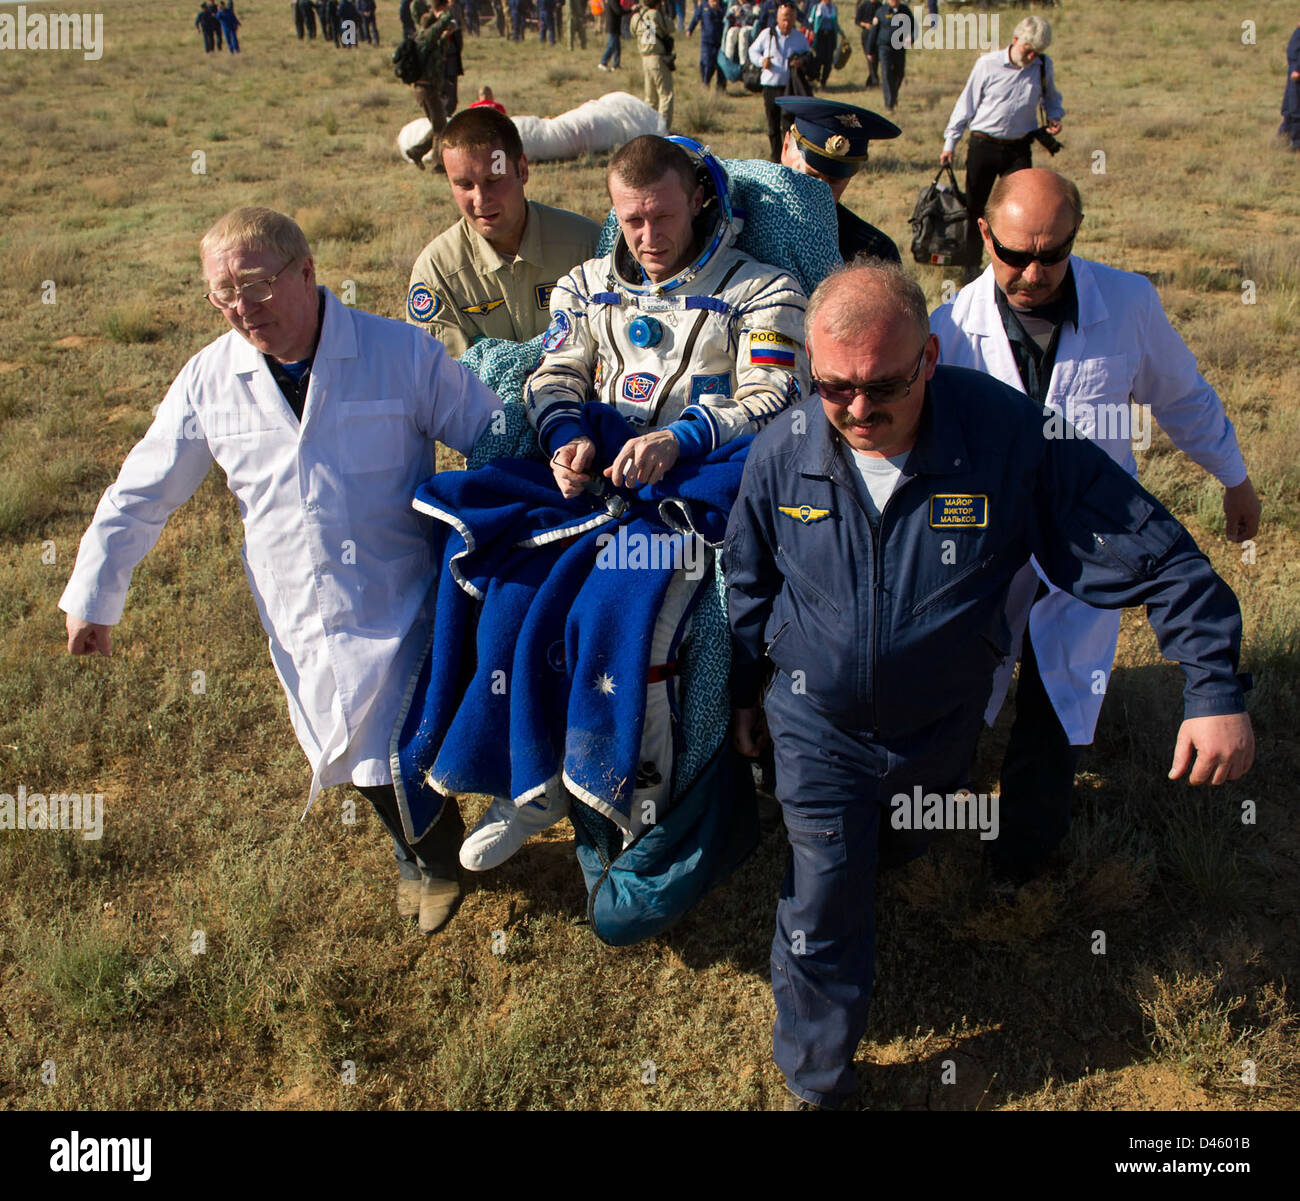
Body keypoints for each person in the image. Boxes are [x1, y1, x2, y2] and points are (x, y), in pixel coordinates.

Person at [724, 259, 1256, 1110]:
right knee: (823, 900)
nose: (858, 411)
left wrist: (1214, 687)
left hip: (941, 724)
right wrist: (746, 694)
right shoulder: (783, 450)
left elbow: (1152, 547)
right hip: (815, 724)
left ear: (931, 358)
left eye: (885, 385)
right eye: (833, 388)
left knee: (904, 840)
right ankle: (818, 1081)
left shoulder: (1012, 440)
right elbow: (748, 582)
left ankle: (882, 847)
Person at [60, 208, 500, 936]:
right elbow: (142, 489)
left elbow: (487, 431)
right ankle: (415, 855)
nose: (241, 308)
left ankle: (437, 858)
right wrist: (94, 594)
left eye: (257, 286)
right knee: (346, 747)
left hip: (400, 594)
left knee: (401, 746)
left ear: (307, 272)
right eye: (222, 295)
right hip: (296, 603)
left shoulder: (399, 353)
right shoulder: (210, 379)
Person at [461, 136, 809, 868]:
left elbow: (776, 396)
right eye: (630, 221)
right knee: (508, 585)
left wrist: (680, 440)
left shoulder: (763, 289)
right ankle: (529, 784)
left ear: (700, 201)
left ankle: (631, 799)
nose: (647, 238)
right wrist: (562, 440)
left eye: (662, 216)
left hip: (697, 482)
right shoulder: (583, 284)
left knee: (615, 614)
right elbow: (554, 376)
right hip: (600, 473)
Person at [929, 168, 1261, 884]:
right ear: (984, 234)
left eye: (1053, 253)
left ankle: (1021, 854)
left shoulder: (1127, 303)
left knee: (1059, 698)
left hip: (1091, 541)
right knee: (964, 681)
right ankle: (931, 815)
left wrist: (1234, 477)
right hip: (986, 542)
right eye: (1015, 254)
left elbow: (1183, 399)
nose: (1034, 271)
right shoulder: (949, 328)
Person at [407, 106, 601, 359]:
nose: (480, 200)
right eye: (464, 185)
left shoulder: (586, 246)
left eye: (493, 180)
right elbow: (443, 381)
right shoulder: (437, 274)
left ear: (522, 169)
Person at [940, 16, 1064, 268]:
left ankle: (1015, 263)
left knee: (1022, 210)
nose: (1032, 58)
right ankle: (971, 267)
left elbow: (1052, 97)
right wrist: (950, 144)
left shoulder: (1042, 66)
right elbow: (965, 105)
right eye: (1028, 51)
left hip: (1018, 149)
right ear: (1016, 40)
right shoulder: (987, 64)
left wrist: (1054, 115)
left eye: (1037, 53)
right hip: (983, 146)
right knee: (975, 210)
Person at [775, 97, 901, 264]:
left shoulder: (872, 253)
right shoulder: (741, 223)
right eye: (812, 175)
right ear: (785, 150)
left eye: (834, 181)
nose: (821, 190)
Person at [749, 3, 813, 161]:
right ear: (777, 18)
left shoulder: (799, 38)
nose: (787, 23)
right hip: (770, 86)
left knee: (788, 126)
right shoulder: (767, 34)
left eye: (790, 19)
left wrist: (800, 62)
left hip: (789, 88)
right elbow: (752, 51)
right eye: (784, 19)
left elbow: (809, 56)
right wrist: (761, 61)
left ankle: (788, 158)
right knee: (773, 125)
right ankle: (775, 157)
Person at [403, 4, 460, 169]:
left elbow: (438, 48)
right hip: (428, 89)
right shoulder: (426, 37)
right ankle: (438, 164)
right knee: (441, 127)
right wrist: (446, 13)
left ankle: (417, 152)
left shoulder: (425, 41)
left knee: (438, 125)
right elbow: (440, 25)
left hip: (425, 89)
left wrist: (447, 34)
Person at [632, 0, 675, 129]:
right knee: (665, 94)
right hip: (657, 57)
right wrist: (662, 12)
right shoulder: (657, 15)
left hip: (644, 57)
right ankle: (663, 128)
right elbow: (671, 27)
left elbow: (632, 30)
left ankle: (648, 126)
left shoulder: (637, 16)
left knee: (650, 98)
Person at [872, 0, 911, 111]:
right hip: (885, 48)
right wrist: (870, 51)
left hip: (899, 47)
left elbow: (913, 28)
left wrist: (910, 37)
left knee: (899, 74)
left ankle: (893, 95)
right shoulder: (881, 11)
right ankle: (889, 103)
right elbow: (874, 31)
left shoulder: (905, 11)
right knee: (886, 73)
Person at [688, 0, 726, 88]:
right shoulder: (703, 5)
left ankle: (721, 88)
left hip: (720, 41)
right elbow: (696, 17)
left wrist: (718, 11)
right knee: (707, 62)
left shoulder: (723, 6)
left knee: (721, 65)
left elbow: (727, 18)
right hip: (706, 41)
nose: (715, 2)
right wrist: (690, 29)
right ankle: (705, 82)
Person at [809, 0, 839, 89]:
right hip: (820, 36)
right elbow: (810, 21)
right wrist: (811, 32)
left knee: (829, 60)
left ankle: (824, 81)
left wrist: (840, 32)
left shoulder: (833, 8)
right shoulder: (817, 7)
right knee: (819, 58)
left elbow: (835, 23)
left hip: (830, 36)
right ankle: (816, 78)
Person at [1281, 21, 1300, 151]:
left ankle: (1296, 142)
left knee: (1295, 108)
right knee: (1288, 108)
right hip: (1293, 70)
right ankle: (1283, 137)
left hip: (1296, 73)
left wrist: (1298, 70)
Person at [854, 0, 879, 86]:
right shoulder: (864, 5)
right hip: (866, 34)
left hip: (877, 34)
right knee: (869, 56)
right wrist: (865, 24)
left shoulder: (879, 6)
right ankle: (874, 78)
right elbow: (857, 21)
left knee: (876, 57)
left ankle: (872, 78)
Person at [599, 0, 623, 68]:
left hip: (615, 27)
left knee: (617, 47)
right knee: (611, 45)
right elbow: (618, 11)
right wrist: (630, 10)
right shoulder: (613, 1)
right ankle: (603, 62)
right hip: (612, 27)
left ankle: (616, 64)